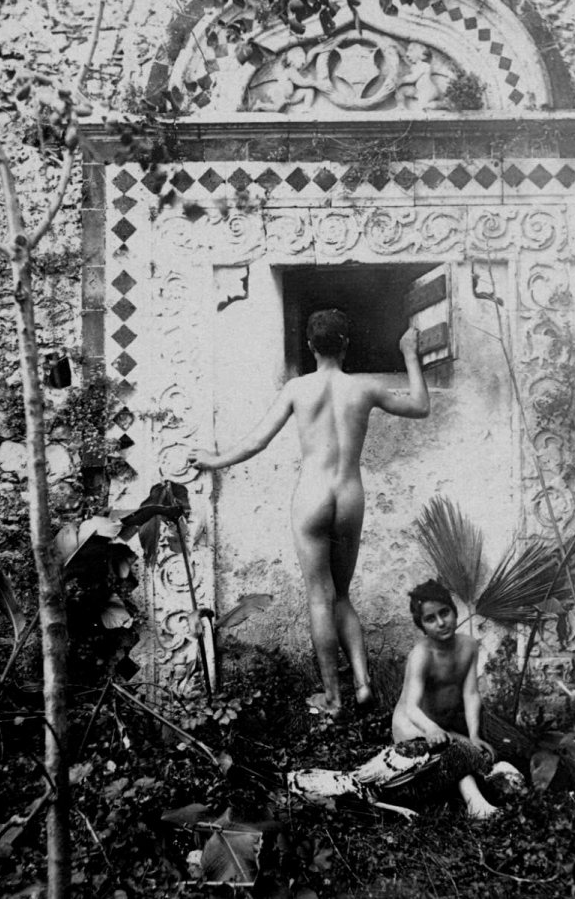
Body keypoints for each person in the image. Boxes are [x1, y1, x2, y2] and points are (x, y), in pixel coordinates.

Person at [188, 309, 430, 719]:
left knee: (321, 598)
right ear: (346, 344)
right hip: (349, 496)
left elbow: (256, 443)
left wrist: (214, 460)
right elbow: (421, 406)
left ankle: (333, 699)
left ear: (310, 346)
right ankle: (363, 683)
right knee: (342, 596)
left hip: (312, 496)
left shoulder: (297, 389)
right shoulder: (365, 388)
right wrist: (409, 353)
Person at [392, 579, 498, 818]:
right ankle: (476, 805)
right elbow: (411, 707)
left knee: (480, 753)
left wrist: (474, 735)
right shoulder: (421, 655)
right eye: (430, 619)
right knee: (455, 752)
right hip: (413, 725)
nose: (441, 623)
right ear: (421, 626)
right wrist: (430, 728)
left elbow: (470, 693)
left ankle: (491, 786)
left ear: (454, 611)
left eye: (444, 613)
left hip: (442, 727)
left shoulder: (468, 646)